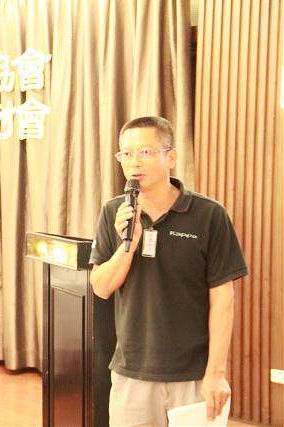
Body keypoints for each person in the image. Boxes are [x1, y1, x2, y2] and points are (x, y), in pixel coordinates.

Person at [89, 116, 248, 426]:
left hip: (193, 375)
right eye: (126, 154)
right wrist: (128, 245)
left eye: (146, 152)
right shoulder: (114, 212)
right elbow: (101, 287)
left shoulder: (209, 215)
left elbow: (223, 299)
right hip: (132, 371)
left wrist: (216, 373)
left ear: (171, 157)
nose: (135, 162)